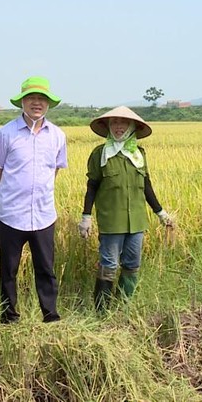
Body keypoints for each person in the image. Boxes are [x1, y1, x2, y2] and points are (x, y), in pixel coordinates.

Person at [78, 106, 174, 312]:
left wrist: (161, 213)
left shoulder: (139, 154)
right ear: (108, 127)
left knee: (132, 264)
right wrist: (86, 216)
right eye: (114, 123)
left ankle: (123, 307)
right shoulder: (100, 154)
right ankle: (102, 312)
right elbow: (92, 186)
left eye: (123, 123)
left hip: (137, 221)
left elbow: (146, 186)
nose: (119, 127)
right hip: (111, 221)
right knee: (108, 266)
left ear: (132, 127)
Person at [0, 76, 66, 324]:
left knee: (45, 267)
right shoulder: (5, 134)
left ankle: (50, 313)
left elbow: (55, 169)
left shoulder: (57, 135)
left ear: (48, 104)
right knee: (8, 269)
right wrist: (11, 197)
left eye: (42, 99)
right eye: (31, 98)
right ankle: (9, 315)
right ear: (22, 102)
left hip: (43, 214)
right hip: (11, 215)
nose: (36, 103)